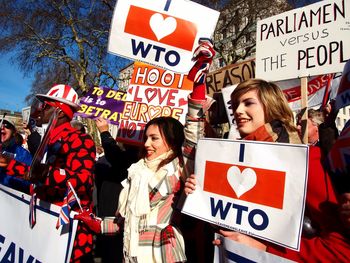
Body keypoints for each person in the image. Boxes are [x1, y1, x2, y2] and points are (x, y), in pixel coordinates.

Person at [75, 38, 216, 262]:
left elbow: (193, 131)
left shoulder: (179, 166)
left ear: (171, 141)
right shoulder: (135, 170)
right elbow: (124, 223)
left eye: (154, 138)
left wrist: (199, 81)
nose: (147, 144)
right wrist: (96, 224)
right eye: (146, 138)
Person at [185, 79, 350, 262]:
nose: (238, 111)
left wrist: (264, 249)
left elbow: (341, 249)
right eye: (235, 105)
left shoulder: (303, 161)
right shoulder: (228, 160)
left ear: (271, 106)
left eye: (248, 103)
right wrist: (201, 194)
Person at [0, 84, 96, 262]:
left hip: (68, 233)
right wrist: (9, 165)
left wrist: (45, 173)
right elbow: (36, 175)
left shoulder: (79, 140)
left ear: (59, 112)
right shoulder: (49, 141)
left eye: (46, 106)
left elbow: (82, 180)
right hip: (46, 225)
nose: (40, 109)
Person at [0, 118, 32, 193]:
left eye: (7, 125)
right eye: (0, 124)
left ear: (14, 132)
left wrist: (10, 167)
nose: (2, 127)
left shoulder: (23, 154)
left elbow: (30, 181)